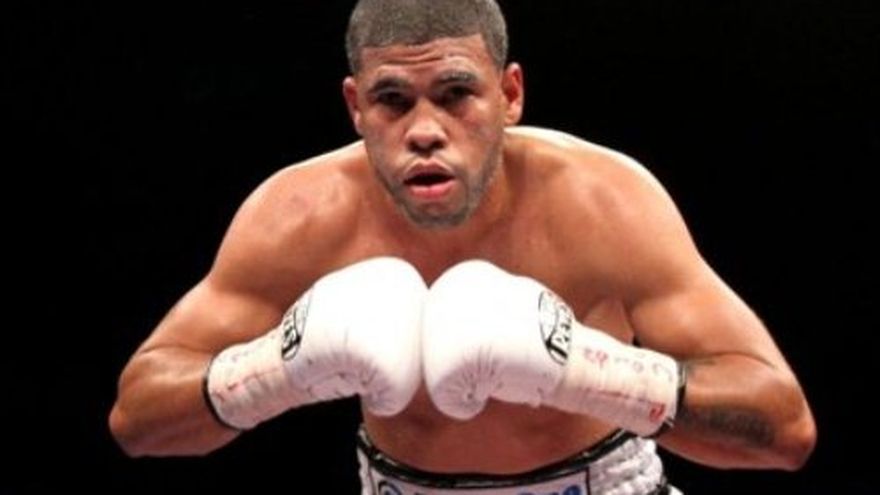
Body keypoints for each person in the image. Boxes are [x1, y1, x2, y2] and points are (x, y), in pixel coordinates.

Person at [109, 0, 816, 493]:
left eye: (455, 94)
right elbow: (136, 419)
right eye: (393, 100)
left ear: (510, 95)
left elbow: (785, 427)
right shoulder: (298, 216)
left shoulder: (603, 203)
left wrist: (586, 370)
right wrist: (274, 368)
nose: (424, 130)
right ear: (355, 107)